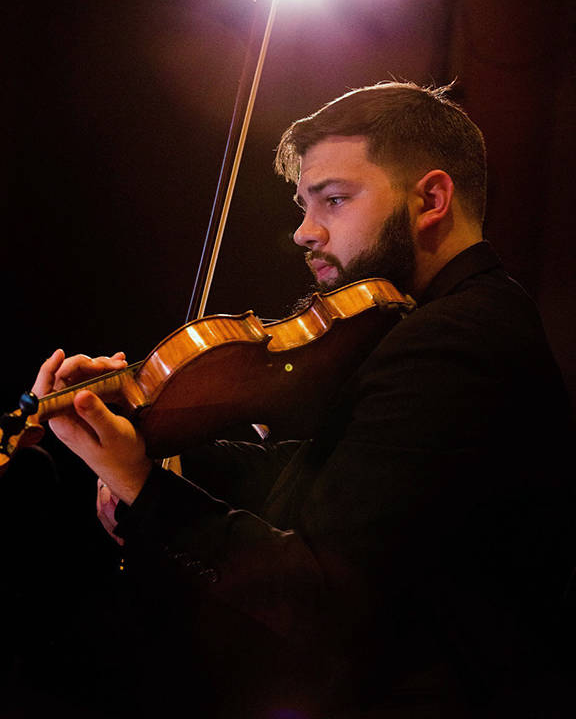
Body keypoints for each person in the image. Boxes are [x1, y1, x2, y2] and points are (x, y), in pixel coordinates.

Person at [31, 83, 576, 718]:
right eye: (303, 205)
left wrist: (143, 488)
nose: (303, 232)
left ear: (431, 199)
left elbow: (322, 596)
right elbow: (315, 478)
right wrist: (144, 442)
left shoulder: (455, 341)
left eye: (334, 201)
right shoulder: (429, 322)